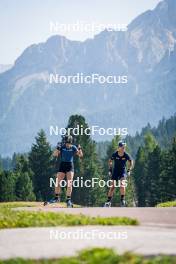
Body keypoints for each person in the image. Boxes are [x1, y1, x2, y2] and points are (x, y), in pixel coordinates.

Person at [51, 135, 83, 207]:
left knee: (69, 183)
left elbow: (81, 155)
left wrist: (79, 148)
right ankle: (56, 197)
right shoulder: (62, 147)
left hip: (70, 166)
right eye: (66, 143)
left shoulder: (73, 147)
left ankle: (68, 199)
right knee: (57, 181)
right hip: (62, 165)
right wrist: (57, 148)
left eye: (69, 143)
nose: (67, 144)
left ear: (71, 142)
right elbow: (55, 154)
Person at [104, 141, 133, 207]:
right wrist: (110, 170)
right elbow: (110, 161)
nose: (123, 149)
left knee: (122, 185)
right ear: (119, 148)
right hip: (115, 172)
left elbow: (131, 162)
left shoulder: (126, 154)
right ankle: (108, 201)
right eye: (122, 147)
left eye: (124, 147)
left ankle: (122, 200)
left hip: (122, 171)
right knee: (112, 187)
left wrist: (129, 170)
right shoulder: (115, 154)